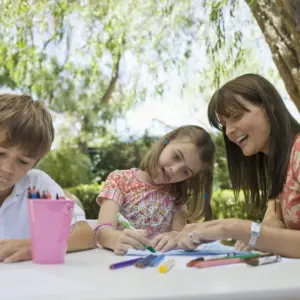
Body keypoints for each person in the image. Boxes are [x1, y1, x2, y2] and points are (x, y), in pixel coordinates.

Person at [176, 73, 300, 258]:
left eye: (236, 116)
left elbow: (258, 231)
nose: (229, 131)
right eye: (224, 124)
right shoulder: (280, 165)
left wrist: (231, 228)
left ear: (269, 108)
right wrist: (260, 235)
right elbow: (272, 225)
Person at [0, 94, 96, 263]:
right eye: (1, 153)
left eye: (23, 161)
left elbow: (85, 234)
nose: (7, 169)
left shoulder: (37, 186)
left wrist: (36, 245)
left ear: (34, 163)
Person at [95, 125, 215, 255]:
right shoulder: (119, 180)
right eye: (176, 156)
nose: (174, 170)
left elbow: (179, 234)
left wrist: (175, 238)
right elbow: (103, 230)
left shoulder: (176, 195)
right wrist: (116, 239)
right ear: (165, 143)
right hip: (119, 263)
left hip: (158, 268)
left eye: (185, 172)